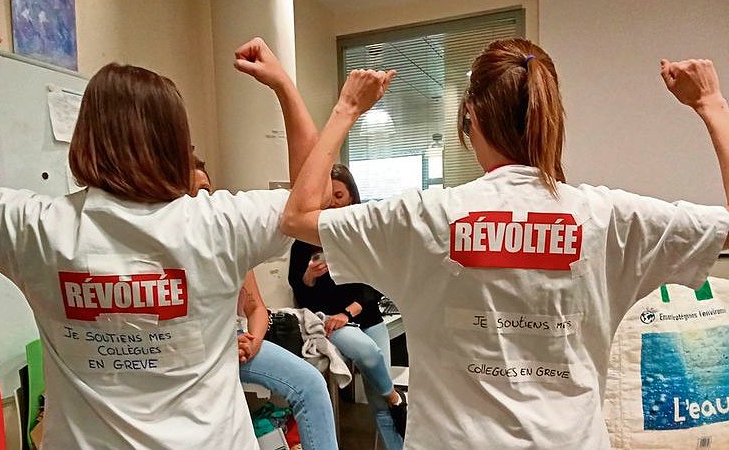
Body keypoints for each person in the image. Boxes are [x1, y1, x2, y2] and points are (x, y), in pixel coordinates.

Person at [279, 39, 729, 449]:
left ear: (470, 117)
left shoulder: (425, 217)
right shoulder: (606, 217)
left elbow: (298, 215)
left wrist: (347, 109)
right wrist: (711, 105)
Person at [0, 17, 317, 449]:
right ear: (177, 145)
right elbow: (311, 200)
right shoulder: (218, 224)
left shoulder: (36, 227)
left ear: (86, 138)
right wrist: (283, 85)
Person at [190, 158, 338, 450]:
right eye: (191, 193)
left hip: (238, 343)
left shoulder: (228, 245)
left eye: (205, 190)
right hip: (201, 350)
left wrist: (253, 340)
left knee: (311, 383)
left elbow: (256, 308)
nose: (200, 200)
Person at [287, 163, 406, 449]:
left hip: (366, 316)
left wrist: (347, 312)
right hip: (330, 320)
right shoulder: (305, 239)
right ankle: (396, 397)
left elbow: (375, 285)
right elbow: (300, 290)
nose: (332, 203)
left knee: (378, 398)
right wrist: (308, 277)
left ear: (352, 195)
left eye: (339, 196)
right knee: (368, 354)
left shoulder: (364, 234)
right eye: (327, 197)